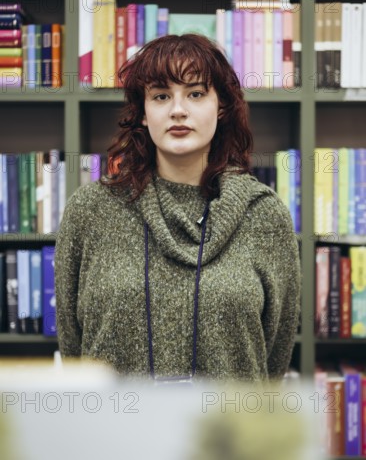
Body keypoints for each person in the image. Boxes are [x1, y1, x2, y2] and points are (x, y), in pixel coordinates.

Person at [55, 33, 301, 382]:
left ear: (221, 106)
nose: (178, 110)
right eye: (160, 96)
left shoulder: (263, 215)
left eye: (196, 93)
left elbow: (273, 357)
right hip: (113, 432)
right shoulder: (91, 211)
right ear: (142, 113)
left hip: (228, 433)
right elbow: (73, 347)